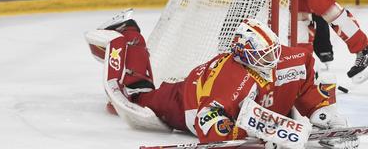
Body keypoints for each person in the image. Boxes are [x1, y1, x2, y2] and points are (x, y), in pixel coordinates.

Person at [85, 11, 358, 148]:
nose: (272, 61)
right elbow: (209, 126)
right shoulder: (231, 81)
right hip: (185, 100)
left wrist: (324, 112)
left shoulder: (288, 58)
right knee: (138, 95)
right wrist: (250, 133)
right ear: (244, 57)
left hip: (219, 93)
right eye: (263, 57)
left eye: (273, 51)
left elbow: (307, 84)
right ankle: (128, 33)